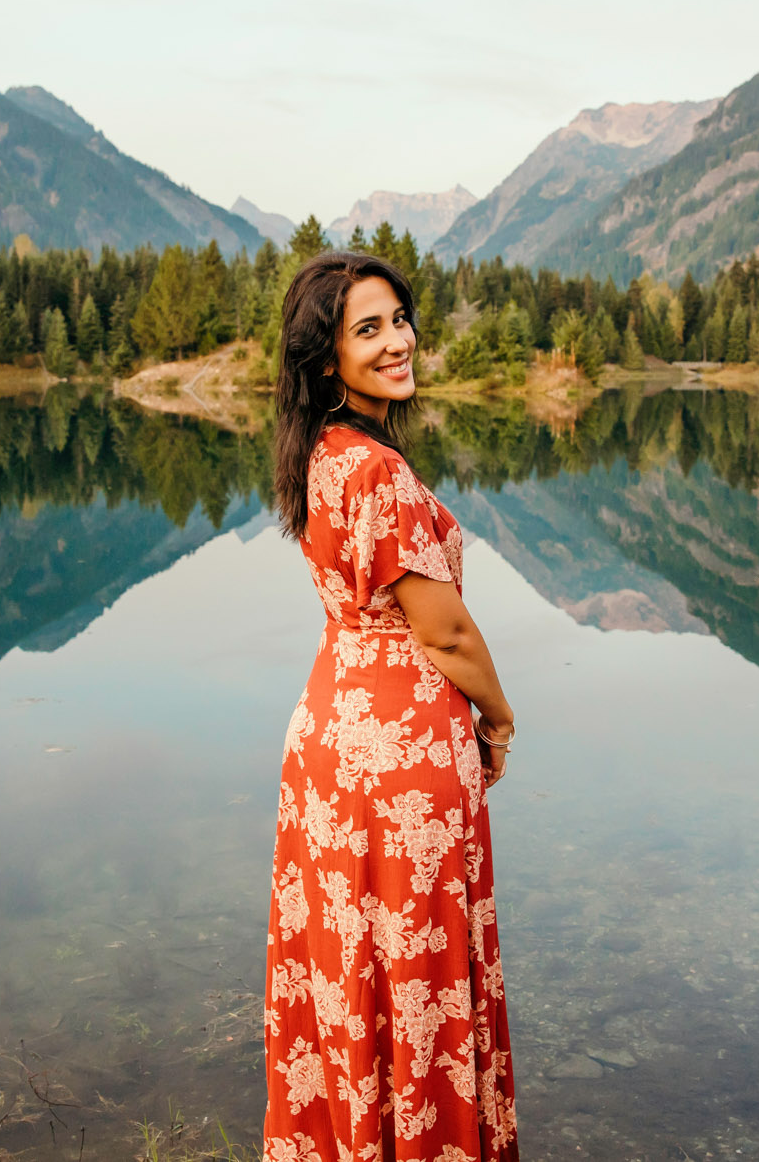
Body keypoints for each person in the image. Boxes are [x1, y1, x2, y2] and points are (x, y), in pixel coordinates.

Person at [263, 250, 520, 1161]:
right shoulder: (376, 472)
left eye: (399, 319)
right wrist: (498, 716)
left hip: (331, 739)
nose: (396, 341)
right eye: (366, 328)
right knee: (413, 974)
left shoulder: (323, 456)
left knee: (352, 967)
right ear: (326, 358)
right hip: (401, 757)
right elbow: (444, 631)